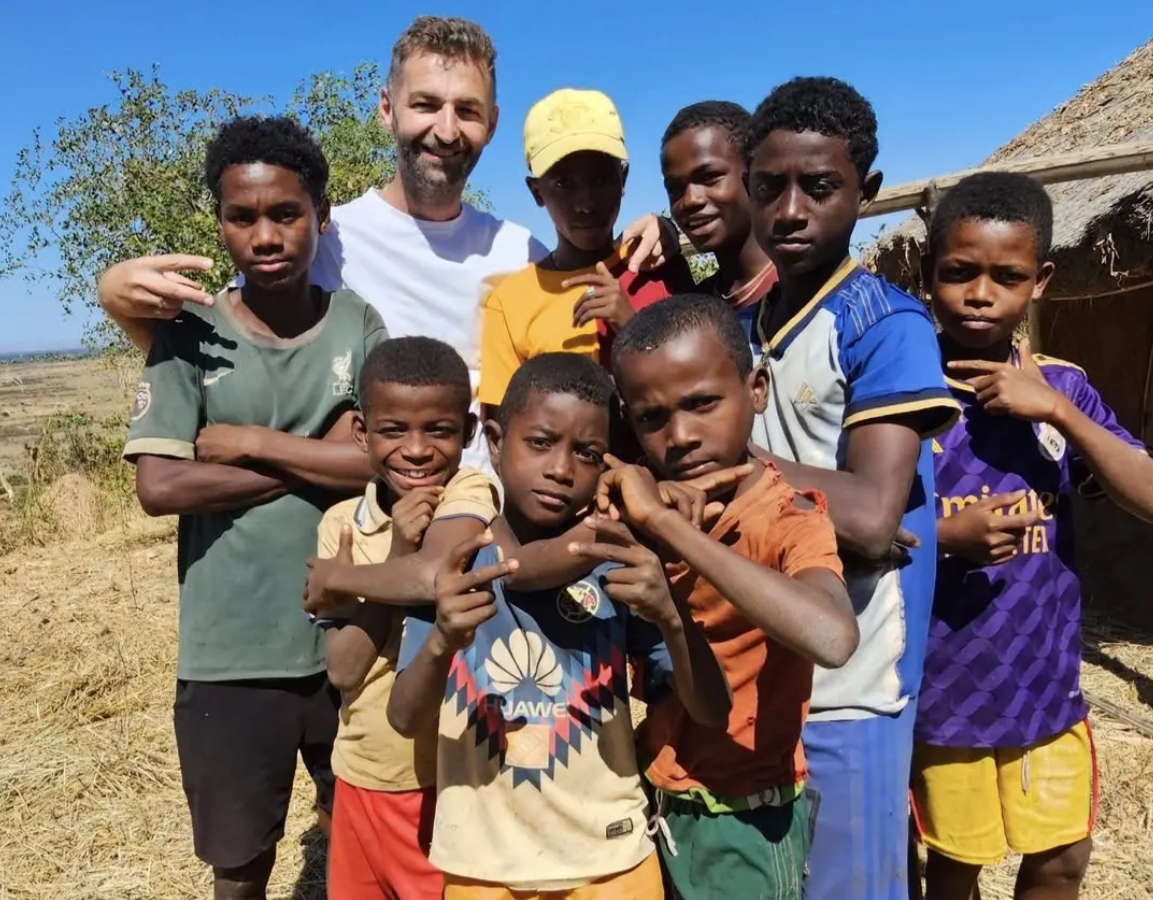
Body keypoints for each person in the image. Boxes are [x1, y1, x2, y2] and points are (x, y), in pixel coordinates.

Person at [95, 17, 674, 474]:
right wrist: (116, 296)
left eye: (466, 111)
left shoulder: (518, 249)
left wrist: (669, 233)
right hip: (364, 520)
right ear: (386, 110)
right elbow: (231, 354)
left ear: (492, 125)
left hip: (500, 530)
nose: (446, 130)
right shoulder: (328, 239)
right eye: (425, 104)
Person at [122, 115, 386, 900]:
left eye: (285, 213)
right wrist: (316, 451)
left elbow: (382, 460)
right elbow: (160, 488)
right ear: (221, 225)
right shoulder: (188, 336)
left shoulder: (356, 324)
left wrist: (248, 443)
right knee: (239, 868)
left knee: (362, 842)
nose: (265, 235)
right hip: (230, 652)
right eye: (243, 217)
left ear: (321, 217)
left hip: (352, 638)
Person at [911, 172, 1153, 900]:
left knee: (1063, 858)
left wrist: (1058, 412)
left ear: (1042, 281)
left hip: (1046, 690)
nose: (980, 294)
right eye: (959, 273)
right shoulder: (902, 393)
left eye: (1008, 276)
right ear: (927, 273)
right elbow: (856, 527)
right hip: (943, 688)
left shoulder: (1066, 387)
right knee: (955, 870)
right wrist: (942, 535)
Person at [387, 352, 731, 899]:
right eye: (541, 442)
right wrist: (442, 642)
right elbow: (405, 718)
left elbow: (712, 711)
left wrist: (669, 613)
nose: (561, 470)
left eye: (587, 453)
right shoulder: (451, 563)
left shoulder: (620, 564)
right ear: (496, 441)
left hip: (611, 863)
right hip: (482, 868)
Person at [741, 77, 960, 900]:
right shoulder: (742, 329)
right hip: (764, 662)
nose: (791, 210)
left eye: (820, 187)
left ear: (864, 192)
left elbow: (871, 513)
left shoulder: (884, 325)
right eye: (770, 187)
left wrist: (727, 467)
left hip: (853, 680)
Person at [604, 294, 858, 899]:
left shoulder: (786, 518)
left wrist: (672, 534)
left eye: (702, 404)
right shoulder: (648, 498)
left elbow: (833, 636)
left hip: (744, 820)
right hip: (659, 798)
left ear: (758, 389)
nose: (681, 436)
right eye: (652, 418)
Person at [315, 336, 499, 900]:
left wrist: (344, 580)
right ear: (362, 435)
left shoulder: (471, 490)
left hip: (442, 780)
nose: (416, 451)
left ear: (467, 434)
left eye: (438, 430)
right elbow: (344, 673)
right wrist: (396, 551)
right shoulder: (342, 523)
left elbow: (436, 571)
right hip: (360, 772)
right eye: (393, 430)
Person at [477, 88, 694, 414]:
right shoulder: (510, 304)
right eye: (563, 184)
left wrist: (630, 328)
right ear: (536, 192)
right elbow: (503, 431)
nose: (586, 204)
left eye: (601, 179)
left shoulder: (656, 268)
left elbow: (698, 388)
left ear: (623, 179)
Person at [660, 101, 777, 323]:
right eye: (675, 188)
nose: (690, 200)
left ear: (754, 173)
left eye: (709, 177)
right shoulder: (696, 303)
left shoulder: (803, 293)